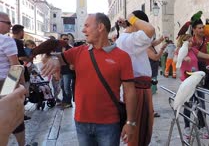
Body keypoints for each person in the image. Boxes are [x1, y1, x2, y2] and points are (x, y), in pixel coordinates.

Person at [40, 13, 137, 145]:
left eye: (86, 26)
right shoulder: (78, 52)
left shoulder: (122, 57)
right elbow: (52, 57)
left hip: (109, 123)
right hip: (81, 122)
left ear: (100, 27)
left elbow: (130, 92)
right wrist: (53, 59)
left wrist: (130, 122)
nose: (83, 30)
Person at [116, 10, 155, 146]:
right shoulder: (129, 40)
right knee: (138, 134)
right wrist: (131, 18)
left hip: (140, 89)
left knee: (141, 132)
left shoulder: (126, 39)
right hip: (138, 90)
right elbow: (150, 30)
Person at [176, 34, 209, 139]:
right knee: (188, 106)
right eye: (188, 41)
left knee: (201, 105)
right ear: (183, 41)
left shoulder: (193, 50)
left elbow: (207, 56)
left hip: (197, 83)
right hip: (187, 83)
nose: (190, 42)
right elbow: (175, 60)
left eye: (191, 40)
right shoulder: (180, 50)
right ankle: (187, 128)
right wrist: (184, 58)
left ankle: (201, 127)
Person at [0, 13, 27, 146]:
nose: (10, 26)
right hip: (6, 82)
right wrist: (22, 86)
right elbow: (15, 67)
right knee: (16, 116)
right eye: (8, 23)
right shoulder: (6, 40)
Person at [57, 34, 74, 109]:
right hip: (60, 70)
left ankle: (68, 102)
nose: (66, 40)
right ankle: (64, 101)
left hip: (67, 71)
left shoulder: (70, 48)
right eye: (64, 39)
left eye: (67, 39)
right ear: (60, 39)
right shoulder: (57, 48)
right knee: (62, 86)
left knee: (67, 87)